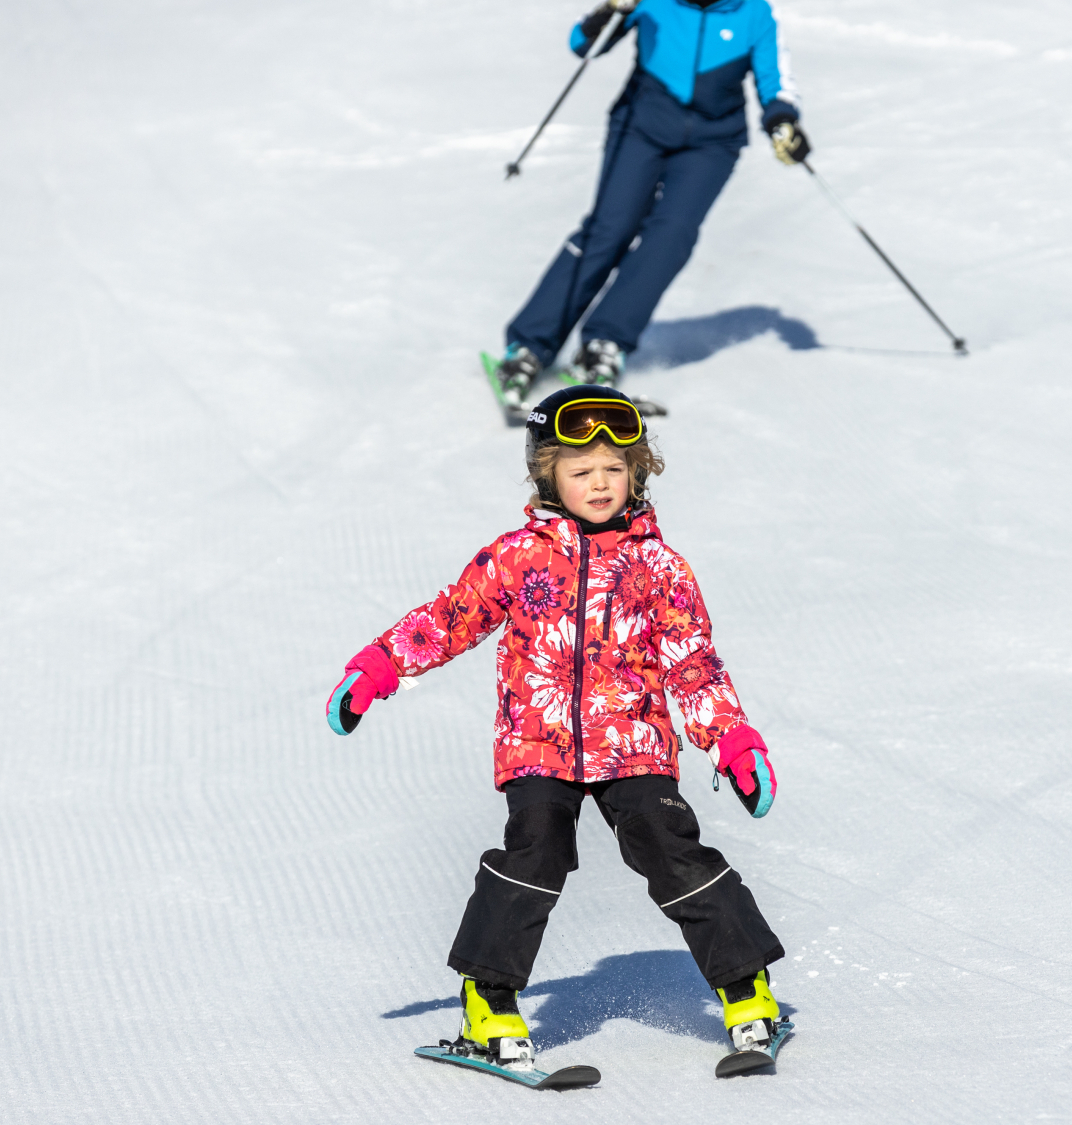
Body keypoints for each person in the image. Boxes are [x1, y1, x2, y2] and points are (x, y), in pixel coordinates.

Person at [326, 385, 788, 1069]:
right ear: (548, 475)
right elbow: (452, 617)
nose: (599, 483)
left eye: (613, 468)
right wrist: (382, 665)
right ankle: (489, 1003)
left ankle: (748, 993)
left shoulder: (659, 566)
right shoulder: (518, 555)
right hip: (538, 742)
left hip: (634, 743)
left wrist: (731, 739)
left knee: (672, 848)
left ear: (637, 469)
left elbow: (694, 661)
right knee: (534, 851)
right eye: (580, 471)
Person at [492, 0, 812, 396]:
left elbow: (775, 78)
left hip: (713, 142)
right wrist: (611, 9)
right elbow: (585, 45)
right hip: (640, 126)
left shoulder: (754, 12)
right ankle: (530, 345)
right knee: (611, 226)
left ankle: (605, 343)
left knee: (673, 234)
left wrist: (782, 120)